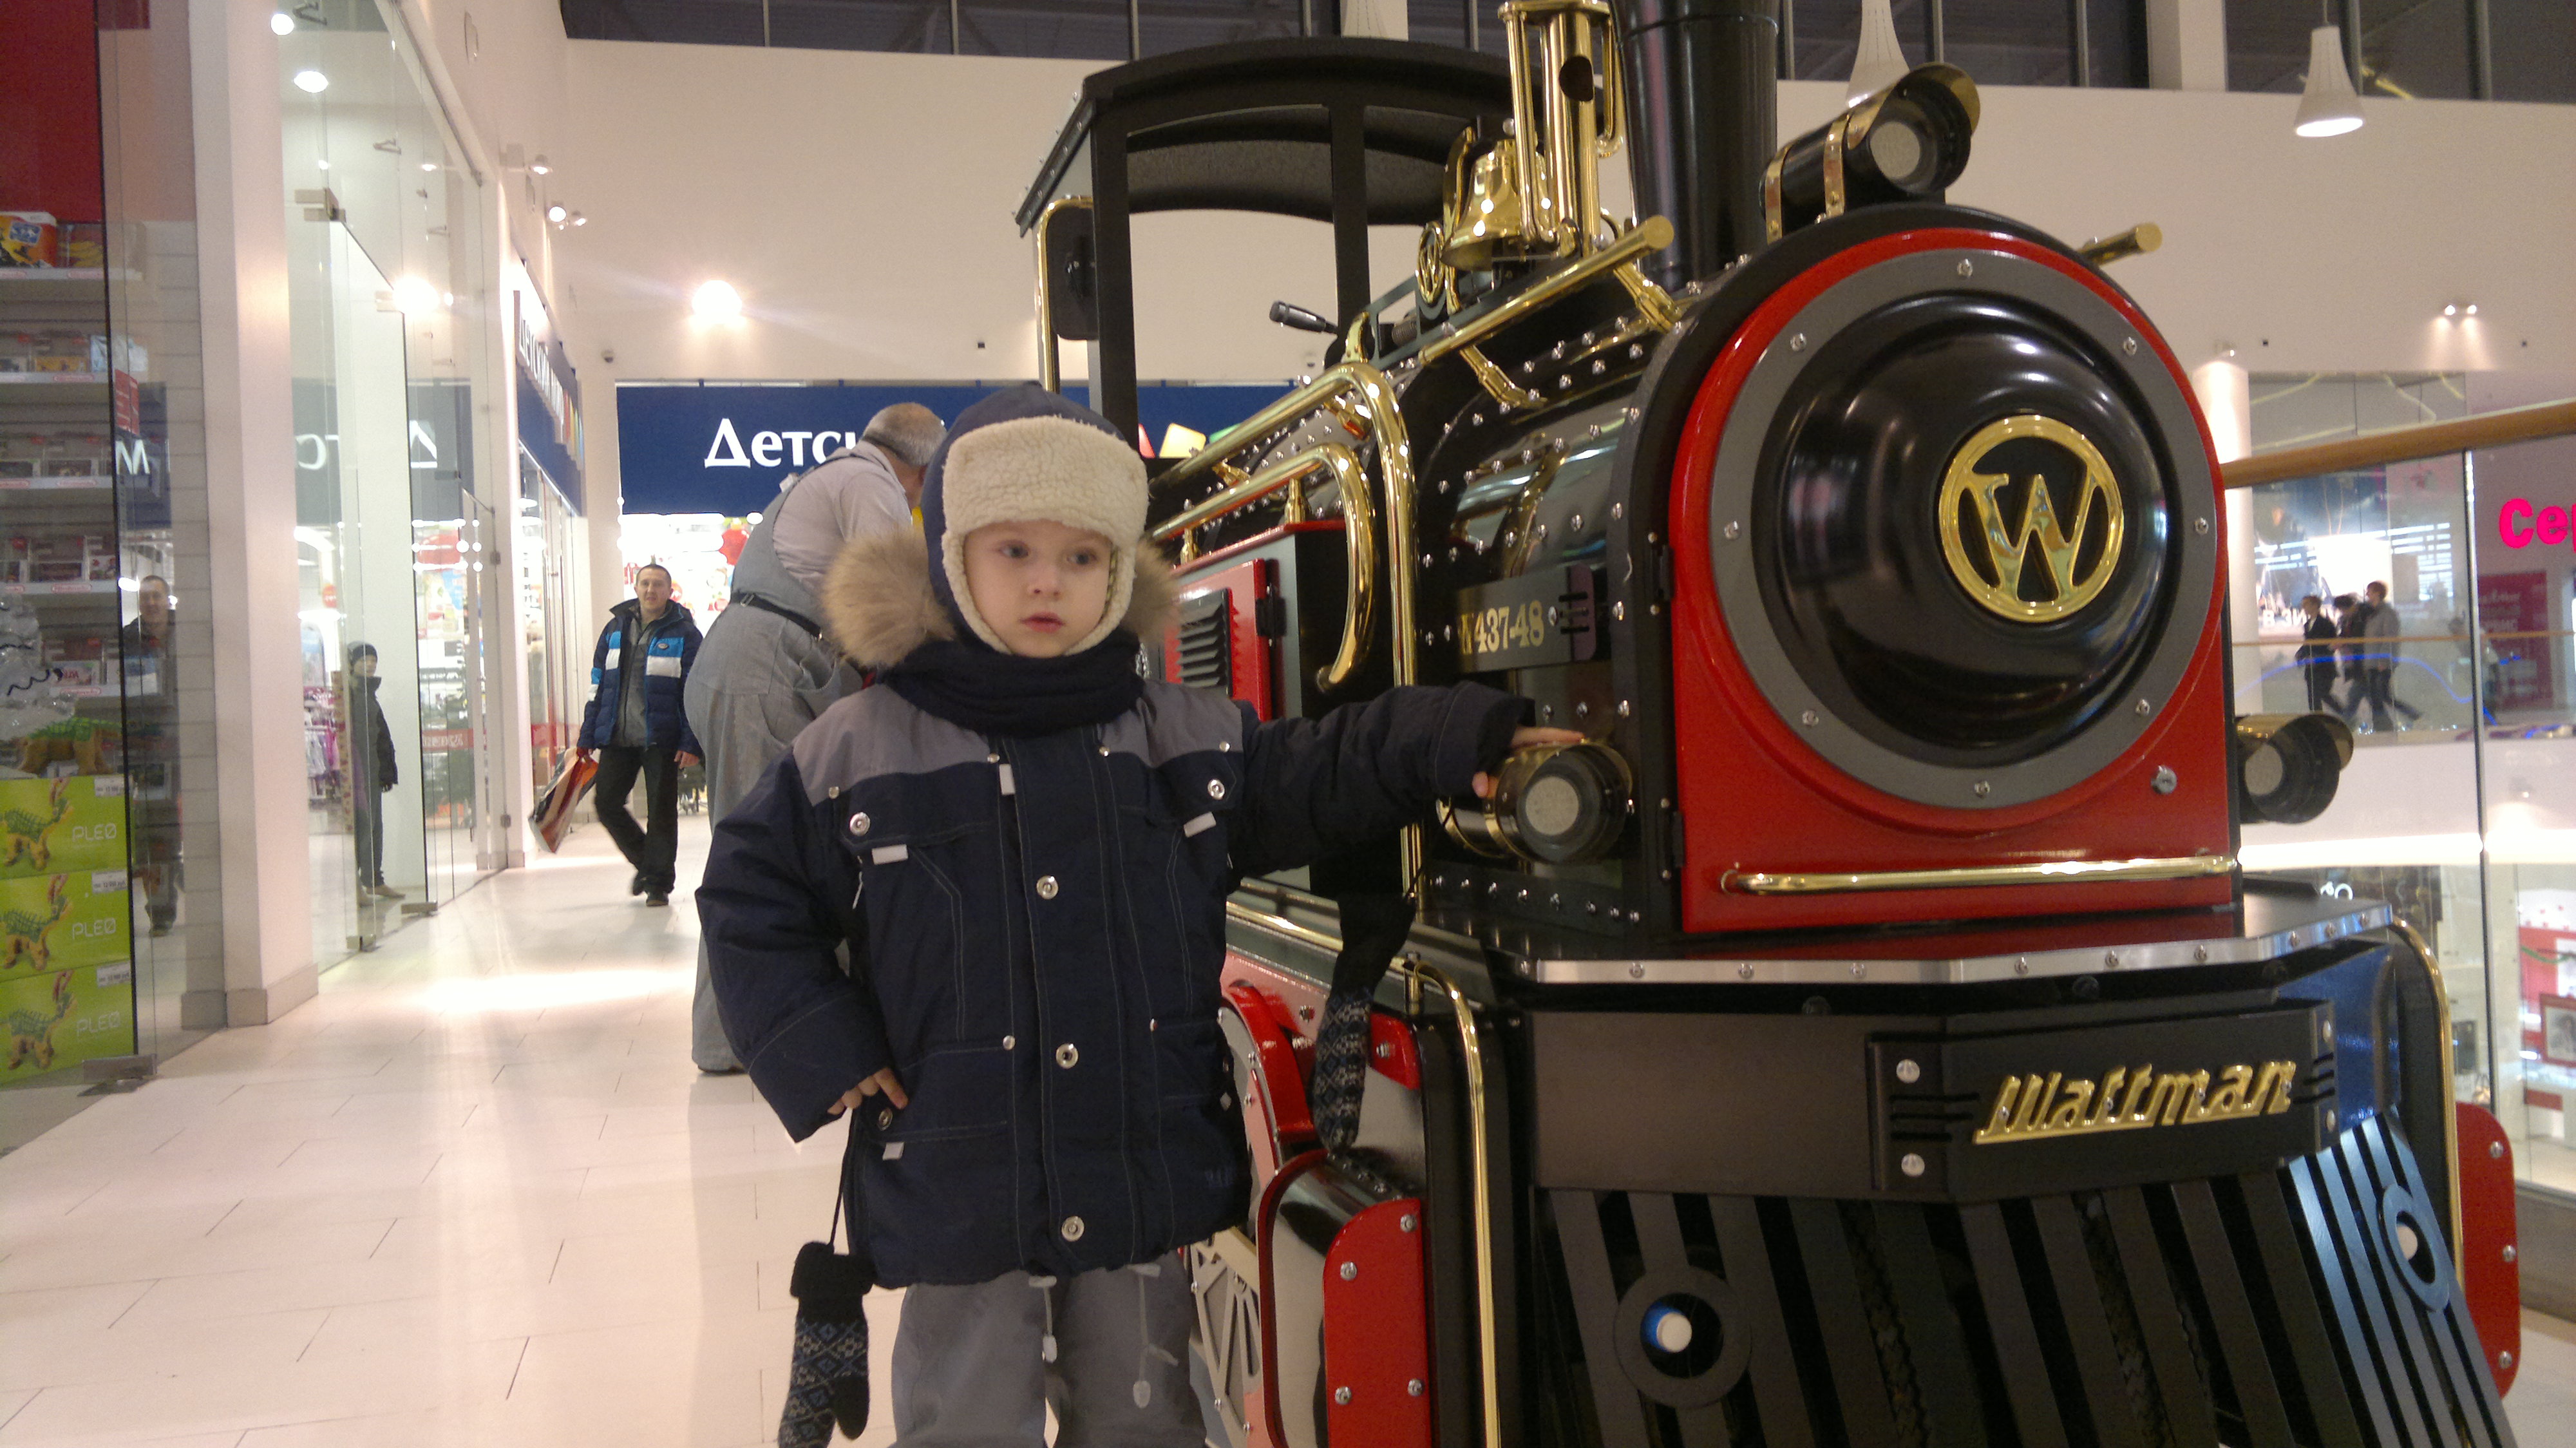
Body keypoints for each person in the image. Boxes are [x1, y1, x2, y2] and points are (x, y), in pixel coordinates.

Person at [699, 385, 1572, 1447]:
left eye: (1081, 555)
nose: (1047, 581)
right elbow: (749, 887)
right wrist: (816, 1038)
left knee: (1144, 1413)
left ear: (1118, 571)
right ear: (949, 558)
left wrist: (1459, 731)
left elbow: (1327, 764)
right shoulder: (861, 744)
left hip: (1135, 1165)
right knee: (966, 1416)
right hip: (961, 1168)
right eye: (1013, 549)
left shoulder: (1182, 737)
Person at [681, 403, 943, 1073]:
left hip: (758, 665)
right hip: (765, 670)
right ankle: (737, 1039)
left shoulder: (836, 475)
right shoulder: (872, 483)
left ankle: (738, 1034)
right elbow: (896, 601)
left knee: (764, 851)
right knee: (761, 861)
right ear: (922, 469)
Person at [576, 563, 703, 906]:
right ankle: (649, 865)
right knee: (606, 803)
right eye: (645, 583)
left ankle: (657, 886)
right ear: (635, 588)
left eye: (658, 584)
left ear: (669, 591)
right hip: (618, 735)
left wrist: (691, 742)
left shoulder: (686, 634)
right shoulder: (614, 629)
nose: (651, 590)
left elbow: (694, 692)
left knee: (662, 812)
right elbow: (598, 684)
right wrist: (588, 734)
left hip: (662, 738)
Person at [121, 576, 180, 934]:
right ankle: (160, 912)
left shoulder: (189, 634)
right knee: (153, 836)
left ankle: (186, 873)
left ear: (167, 599)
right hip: (149, 748)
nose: (151, 603)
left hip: (191, 745)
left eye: (157, 596)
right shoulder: (128, 639)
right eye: (145, 597)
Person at [345, 642, 400, 902]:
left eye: (373, 660)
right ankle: (358, 882)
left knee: (375, 826)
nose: (369, 664)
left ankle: (374, 880)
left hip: (373, 769)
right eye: (363, 660)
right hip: (360, 770)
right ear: (352, 663)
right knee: (364, 826)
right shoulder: (353, 692)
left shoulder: (368, 692)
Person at [2356, 580, 2422, 733]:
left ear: (2378, 593)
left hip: (2380, 662)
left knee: (2381, 695)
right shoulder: (2373, 614)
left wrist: (2384, 660)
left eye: (2370, 591)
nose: (2367, 594)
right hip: (2372, 660)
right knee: (2378, 695)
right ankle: (2387, 724)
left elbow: (2390, 637)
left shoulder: (2387, 613)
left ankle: (2409, 717)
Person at [2297, 594, 2342, 717]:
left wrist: (2318, 656)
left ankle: (2345, 714)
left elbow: (2331, 645)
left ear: (2315, 605)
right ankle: (2317, 720)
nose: (2304, 608)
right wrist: (2301, 654)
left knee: (2323, 694)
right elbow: (2308, 643)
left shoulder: (2326, 624)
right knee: (2313, 698)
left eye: (2306, 605)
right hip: (2312, 668)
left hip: (2324, 667)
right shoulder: (2308, 625)